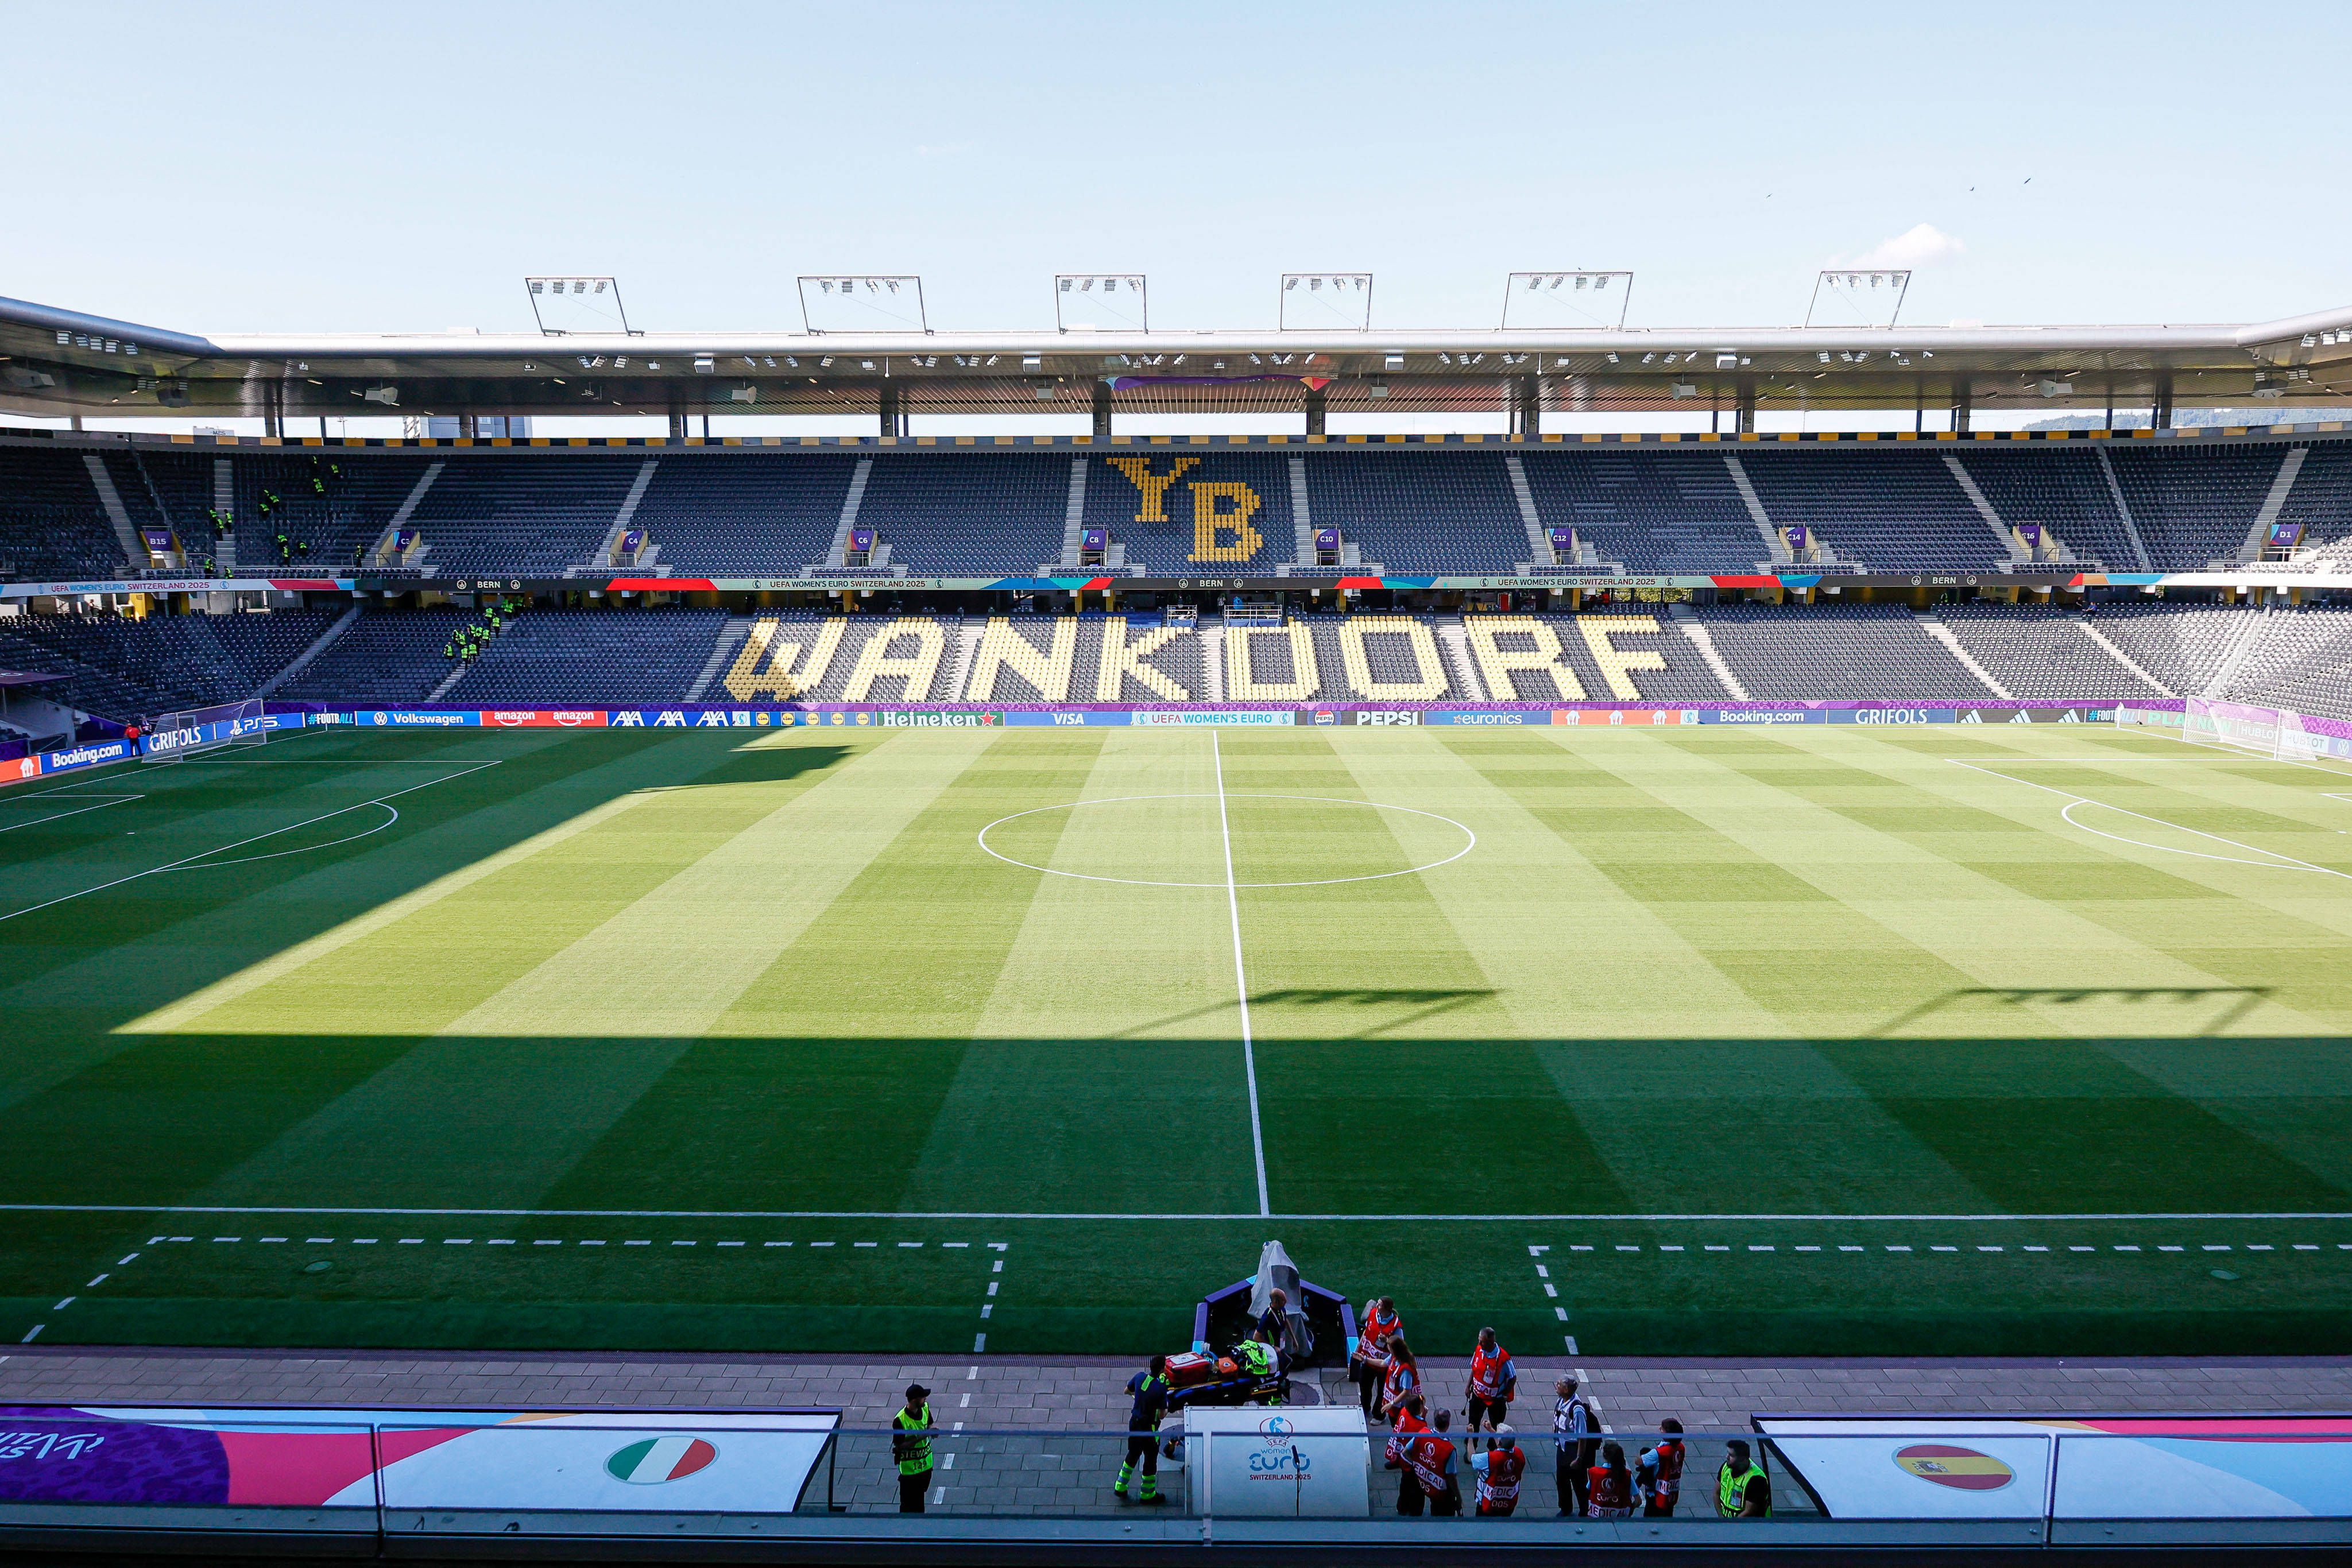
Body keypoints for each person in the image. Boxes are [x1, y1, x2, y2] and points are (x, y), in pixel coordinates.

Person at [1115, 1355, 1169, 1504]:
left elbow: (1127, 1391)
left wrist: (1139, 1398)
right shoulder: (1160, 1388)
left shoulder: (1139, 1377)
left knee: (1133, 1454)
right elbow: (1162, 1415)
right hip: (1150, 1429)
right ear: (1162, 1369)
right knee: (1151, 1460)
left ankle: (1120, 1486)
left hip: (1134, 1424)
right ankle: (1147, 1494)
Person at [1402, 1408, 1461, 1517]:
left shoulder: (1422, 1434)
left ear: (1434, 1421)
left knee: (1415, 1509)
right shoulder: (1450, 1450)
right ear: (1448, 1424)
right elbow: (1451, 1476)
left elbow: (1405, 1452)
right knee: (1440, 1516)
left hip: (1420, 1479)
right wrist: (1459, 1497)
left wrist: (1416, 1463)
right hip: (1439, 1489)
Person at [1553, 1376, 1597, 1516]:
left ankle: (1585, 1511)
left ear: (1566, 1389)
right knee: (1562, 1480)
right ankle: (1565, 1508)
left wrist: (1579, 1458)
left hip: (1573, 1451)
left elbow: (1582, 1437)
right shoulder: (1561, 1401)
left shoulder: (1577, 1410)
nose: (1556, 1385)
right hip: (1563, 1448)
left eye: (1559, 1384)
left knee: (1579, 1483)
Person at [1465, 1328, 1517, 1442]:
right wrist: (1468, 1386)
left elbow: (1513, 1377)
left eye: (1482, 1342)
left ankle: (1493, 1449)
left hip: (1496, 1400)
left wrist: (1505, 1394)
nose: (1479, 1344)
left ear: (1490, 1342)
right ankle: (1471, 1447)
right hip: (1478, 1396)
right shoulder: (1479, 1350)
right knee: (1473, 1423)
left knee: (1496, 1426)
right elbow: (1474, 1368)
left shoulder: (1504, 1358)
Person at [1353, 1296, 1399, 1419]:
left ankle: (1379, 1415)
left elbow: (1399, 1349)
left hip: (1385, 1365)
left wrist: (1387, 1341)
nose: (1376, 1306)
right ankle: (1365, 1408)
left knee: (1383, 1392)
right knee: (1364, 1385)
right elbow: (1367, 1331)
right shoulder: (1373, 1314)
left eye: (1379, 1305)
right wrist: (1359, 1346)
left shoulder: (1396, 1326)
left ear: (1386, 1309)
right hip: (1369, 1360)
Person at [892, 1383, 934, 1513]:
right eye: (923, 1397)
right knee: (908, 1506)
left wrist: (933, 1431)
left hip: (925, 1466)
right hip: (910, 1472)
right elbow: (899, 1447)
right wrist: (920, 1438)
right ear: (915, 1400)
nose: (925, 1399)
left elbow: (929, 1424)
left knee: (920, 1502)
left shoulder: (925, 1408)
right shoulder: (900, 1420)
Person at [1384, 1393, 1429, 1514]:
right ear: (1418, 1409)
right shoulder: (1421, 1425)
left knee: (1404, 1485)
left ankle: (1402, 1508)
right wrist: (1423, 1418)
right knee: (1418, 1488)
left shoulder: (1404, 1411)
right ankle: (1416, 1511)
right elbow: (1421, 1439)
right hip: (1414, 1463)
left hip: (1403, 1459)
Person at [1468, 1429, 1525, 1517]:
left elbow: (1471, 1458)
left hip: (1487, 1505)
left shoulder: (1489, 1458)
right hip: (1508, 1505)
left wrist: (1470, 1437)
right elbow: (1504, 1448)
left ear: (1499, 1443)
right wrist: (1491, 1430)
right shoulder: (1519, 1455)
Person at [1637, 1420, 1685, 1517]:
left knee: (1650, 1518)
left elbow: (1639, 1461)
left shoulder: (1660, 1452)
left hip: (1657, 1494)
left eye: (1662, 1429)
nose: (1660, 1429)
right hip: (1671, 1492)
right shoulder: (1681, 1447)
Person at [1716, 1439, 1771, 1519]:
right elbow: (1716, 1493)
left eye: (1731, 1455)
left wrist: (1730, 1526)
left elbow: (1749, 1511)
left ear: (1742, 1459)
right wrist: (1721, 1518)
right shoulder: (1726, 1467)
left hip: (1750, 1526)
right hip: (1729, 1523)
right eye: (1727, 1453)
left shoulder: (1757, 1480)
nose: (1727, 1457)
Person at [1586, 1439, 1635, 1519]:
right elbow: (1638, 1500)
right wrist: (1630, 1510)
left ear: (1605, 1455)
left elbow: (1589, 1489)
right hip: (1620, 1519)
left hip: (1598, 1518)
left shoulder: (1594, 1473)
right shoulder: (1627, 1475)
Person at [1379, 1335, 1420, 1424]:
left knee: (1399, 1426)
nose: (1387, 1348)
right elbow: (1383, 1363)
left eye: (1389, 1347)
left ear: (1395, 1350)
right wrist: (1365, 1360)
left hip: (1402, 1406)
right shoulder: (1395, 1358)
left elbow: (1407, 1391)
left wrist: (1392, 1403)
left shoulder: (1406, 1370)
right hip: (1396, 1405)